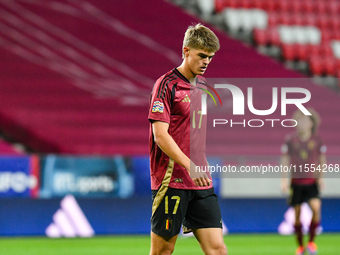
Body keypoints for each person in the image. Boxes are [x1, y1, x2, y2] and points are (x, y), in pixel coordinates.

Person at [148, 24, 227, 255]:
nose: (206, 62)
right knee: (163, 251)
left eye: (210, 58)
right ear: (186, 51)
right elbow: (160, 136)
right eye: (202, 56)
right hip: (172, 181)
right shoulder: (165, 85)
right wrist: (190, 165)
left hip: (201, 181)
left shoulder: (202, 86)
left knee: (218, 250)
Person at [281, 108, 326, 255]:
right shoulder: (291, 140)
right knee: (297, 216)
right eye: (300, 120)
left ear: (311, 123)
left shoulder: (317, 141)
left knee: (316, 209)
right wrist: (284, 180)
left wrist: (321, 178)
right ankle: (300, 246)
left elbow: (321, 161)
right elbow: (285, 160)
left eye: (305, 120)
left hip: (312, 181)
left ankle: (311, 242)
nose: (302, 123)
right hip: (297, 182)